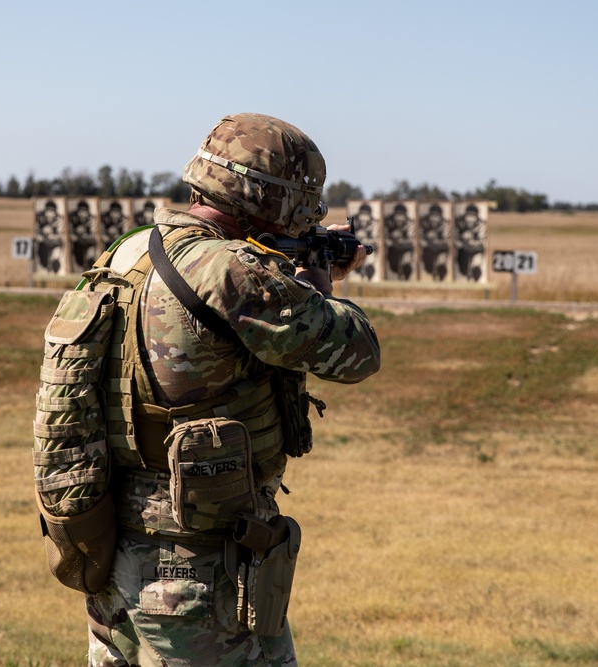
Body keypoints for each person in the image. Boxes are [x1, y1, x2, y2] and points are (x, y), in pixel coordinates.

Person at [82, 113, 381, 665]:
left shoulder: (129, 253)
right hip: (198, 570)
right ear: (273, 197)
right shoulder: (234, 273)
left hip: (112, 548)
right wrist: (317, 286)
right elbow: (357, 352)